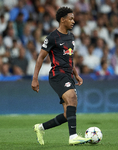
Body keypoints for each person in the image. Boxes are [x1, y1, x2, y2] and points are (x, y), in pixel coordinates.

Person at [31, 7, 91, 146]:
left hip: (68, 75)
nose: (73, 21)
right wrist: (35, 78)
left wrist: (76, 74)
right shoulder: (52, 37)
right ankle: (73, 137)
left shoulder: (70, 36)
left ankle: (40, 127)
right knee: (72, 98)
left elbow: (70, 58)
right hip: (57, 74)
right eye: (70, 18)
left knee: (67, 114)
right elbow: (40, 57)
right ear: (62, 19)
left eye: (73, 18)